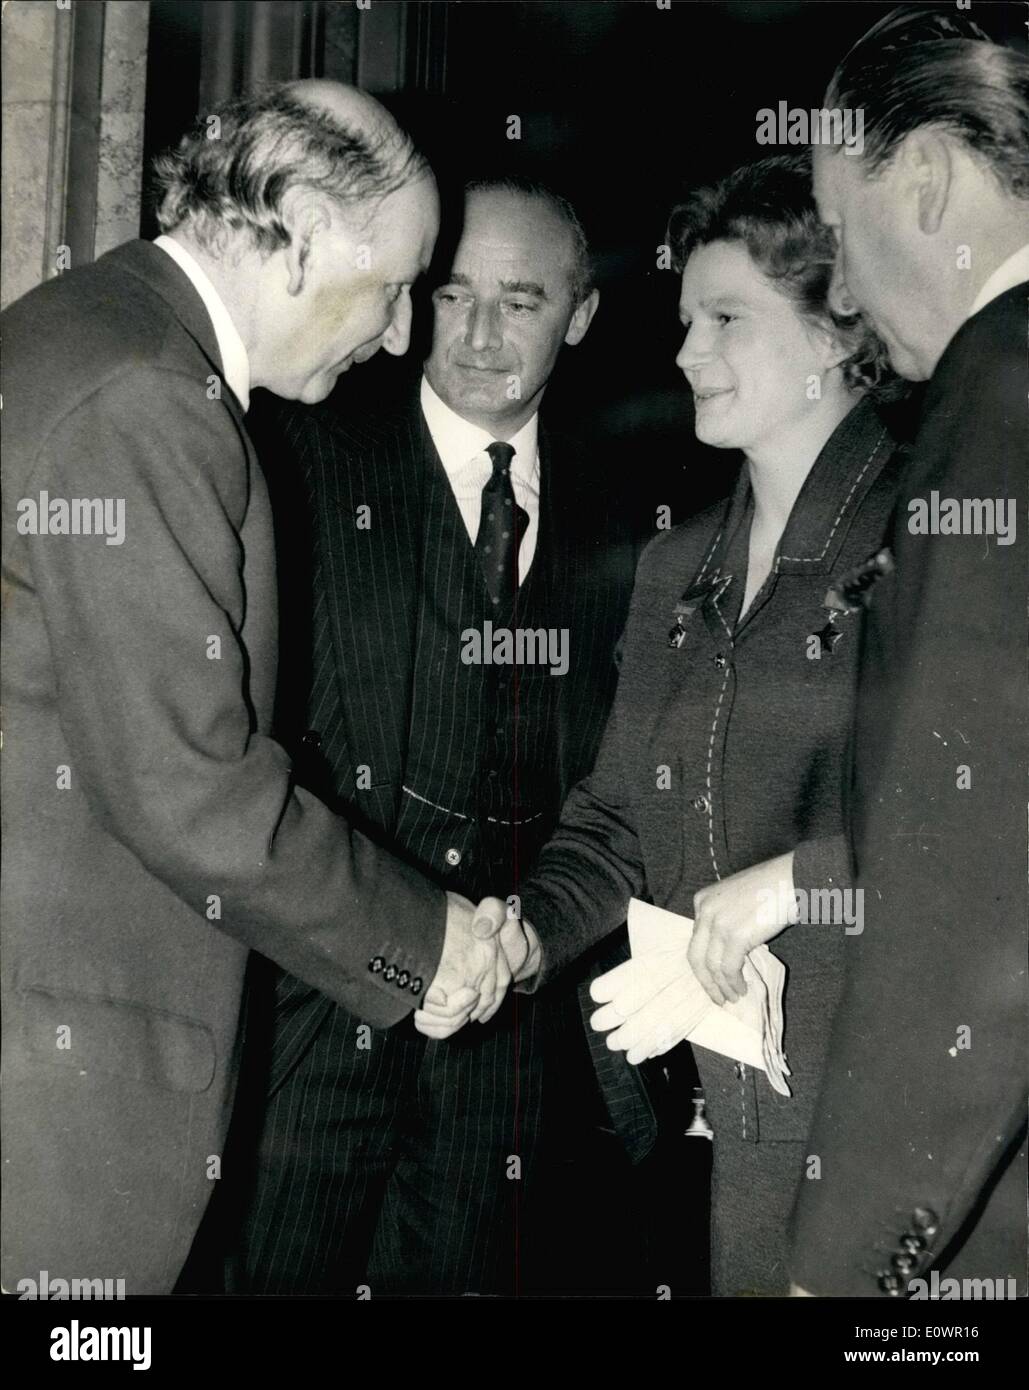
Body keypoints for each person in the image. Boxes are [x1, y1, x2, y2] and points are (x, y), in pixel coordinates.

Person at [0, 81, 524, 1295]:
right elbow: (188, 789)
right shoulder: (142, 392)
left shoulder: (96, 332)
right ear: (288, 220)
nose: (401, 334)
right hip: (49, 1108)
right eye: (394, 284)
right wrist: (424, 940)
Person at [426, 153, 909, 1296]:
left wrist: (798, 879)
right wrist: (525, 934)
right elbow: (615, 822)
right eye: (687, 319)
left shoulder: (932, 535)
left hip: (894, 1106)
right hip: (725, 1121)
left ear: (843, 328)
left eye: (726, 319)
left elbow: (989, 831)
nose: (686, 352)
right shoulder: (674, 562)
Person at [233, 178, 641, 1295]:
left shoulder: (638, 510)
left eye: (519, 301)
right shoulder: (300, 458)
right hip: (312, 1013)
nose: (477, 334)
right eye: (453, 294)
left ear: (583, 313)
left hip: (510, 1041)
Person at [787, 6, 1028, 1297]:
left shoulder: (998, 402)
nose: (834, 283)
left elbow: (973, 907)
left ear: (925, 178)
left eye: (834, 225)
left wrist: (841, 1271)